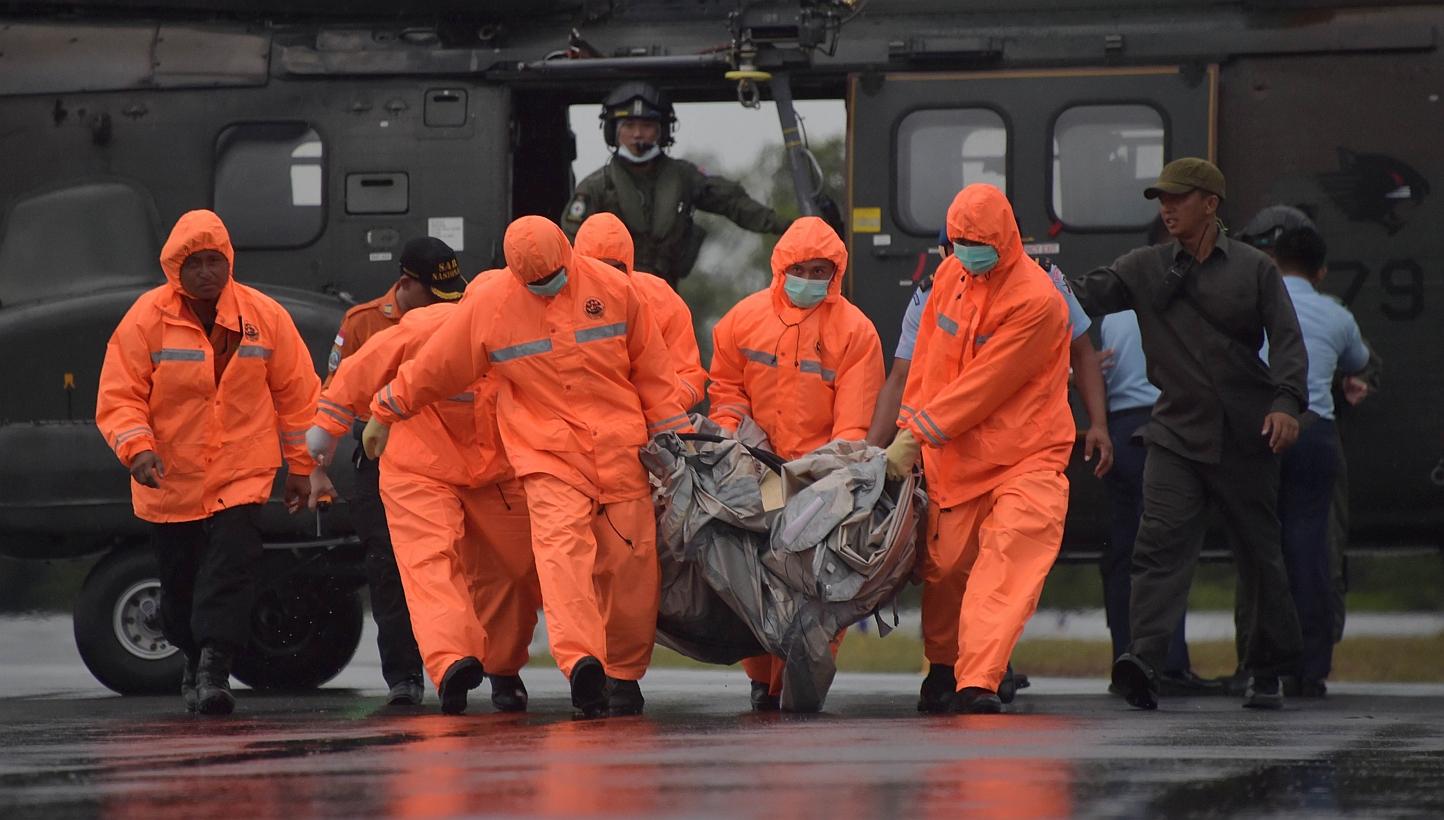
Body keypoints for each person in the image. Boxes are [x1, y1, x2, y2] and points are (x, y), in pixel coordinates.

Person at [362, 215, 691, 718]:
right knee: (562, 559)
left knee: (630, 567)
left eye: (552, 277)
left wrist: (676, 441)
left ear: (567, 254)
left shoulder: (616, 291)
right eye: (533, 282)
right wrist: (387, 409)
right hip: (546, 455)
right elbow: (437, 366)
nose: (545, 288)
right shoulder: (493, 305)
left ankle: (623, 675)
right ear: (515, 273)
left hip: (620, 451)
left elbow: (654, 374)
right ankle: (583, 663)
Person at [1069, 158, 1309, 711]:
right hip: (1174, 434)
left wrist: (1287, 404)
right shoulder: (1145, 267)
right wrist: (1022, 281)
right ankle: (1144, 661)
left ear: (1210, 203)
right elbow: (1081, 296)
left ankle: (1267, 667)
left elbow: (1289, 342)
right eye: (1162, 199)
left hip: (1247, 437)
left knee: (1259, 555)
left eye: (1178, 198)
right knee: (1156, 549)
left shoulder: (1254, 269)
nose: (1167, 209)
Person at [96, 209, 322, 715]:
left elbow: (298, 396)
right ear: (175, 267)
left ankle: (216, 671)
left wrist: (302, 467)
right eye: (193, 263)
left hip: (242, 471)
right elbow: (120, 396)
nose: (205, 272)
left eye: (214, 261)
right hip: (169, 476)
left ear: (229, 261)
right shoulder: (146, 318)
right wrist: (138, 450)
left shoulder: (264, 317)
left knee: (230, 570)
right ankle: (193, 658)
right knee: (179, 584)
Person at [884, 184, 1075, 714]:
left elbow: (984, 385)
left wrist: (915, 435)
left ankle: (978, 682)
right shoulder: (949, 277)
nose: (967, 250)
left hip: (1027, 455)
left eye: (976, 241)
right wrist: (909, 430)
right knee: (945, 569)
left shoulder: (1038, 302)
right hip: (957, 454)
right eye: (958, 240)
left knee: (1004, 565)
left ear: (1006, 238)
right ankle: (943, 668)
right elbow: (926, 361)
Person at [309, 301, 541, 715]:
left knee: (514, 571)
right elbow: (354, 375)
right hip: (421, 466)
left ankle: (503, 668)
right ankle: (453, 662)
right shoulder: (420, 330)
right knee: (429, 563)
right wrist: (324, 436)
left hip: (496, 470)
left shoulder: (524, 328)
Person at [707, 216, 885, 710]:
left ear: (837, 271)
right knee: (751, 574)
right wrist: (732, 431)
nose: (811, 278)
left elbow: (854, 426)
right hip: (759, 468)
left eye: (821, 269)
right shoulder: (743, 319)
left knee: (816, 581)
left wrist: (818, 478)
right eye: (801, 268)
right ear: (781, 267)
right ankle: (763, 679)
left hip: (820, 478)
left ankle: (794, 682)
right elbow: (726, 387)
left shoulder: (855, 332)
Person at [316, 237, 465, 706]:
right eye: (435, 291)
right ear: (405, 284)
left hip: (447, 458)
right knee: (387, 566)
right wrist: (317, 465)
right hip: (381, 457)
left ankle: (461, 661)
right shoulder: (362, 323)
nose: (448, 301)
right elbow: (334, 389)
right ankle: (404, 675)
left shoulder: (460, 313)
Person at [865, 227, 1113, 474]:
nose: (967, 257)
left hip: (1026, 441)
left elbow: (1081, 352)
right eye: (960, 246)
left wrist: (1098, 423)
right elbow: (903, 378)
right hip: (956, 442)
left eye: (978, 244)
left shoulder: (1043, 285)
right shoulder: (932, 294)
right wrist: (870, 459)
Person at [1264, 226, 1371, 696]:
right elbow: (1358, 360)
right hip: (1315, 432)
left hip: (1262, 429)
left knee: (1262, 548)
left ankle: (1262, 665)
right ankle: (1310, 668)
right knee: (1310, 548)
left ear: (1270, 261)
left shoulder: (1255, 306)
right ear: (1322, 271)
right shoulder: (1336, 315)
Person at [561, 81, 789, 286]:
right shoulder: (596, 187)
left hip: (665, 292)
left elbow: (733, 202)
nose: (638, 134)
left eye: (647, 125)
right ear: (613, 131)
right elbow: (569, 246)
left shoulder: (683, 177)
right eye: (629, 125)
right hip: (613, 292)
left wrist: (789, 227)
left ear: (662, 131)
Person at [573, 212, 709, 408]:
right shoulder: (557, 303)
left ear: (628, 263)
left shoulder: (660, 297)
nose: (607, 277)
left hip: (651, 426)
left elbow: (687, 375)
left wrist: (657, 410)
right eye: (598, 268)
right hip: (581, 427)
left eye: (615, 268)